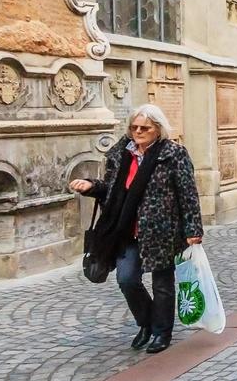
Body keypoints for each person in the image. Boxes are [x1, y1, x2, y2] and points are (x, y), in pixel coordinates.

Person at [69, 104, 202, 354]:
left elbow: (188, 194)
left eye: (145, 128)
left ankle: (162, 333)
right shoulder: (122, 153)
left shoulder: (173, 154)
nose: (138, 131)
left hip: (162, 231)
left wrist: (193, 228)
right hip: (126, 229)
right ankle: (147, 323)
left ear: (157, 129)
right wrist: (90, 186)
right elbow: (111, 188)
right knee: (127, 279)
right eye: (134, 127)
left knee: (163, 284)